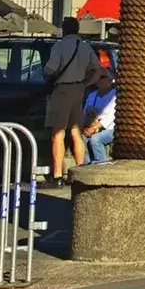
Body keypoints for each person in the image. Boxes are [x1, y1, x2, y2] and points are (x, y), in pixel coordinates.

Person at [42, 18, 95, 186]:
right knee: (75, 132)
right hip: (78, 90)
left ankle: (57, 175)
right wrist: (86, 83)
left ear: (63, 30)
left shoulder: (60, 46)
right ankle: (79, 171)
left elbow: (50, 69)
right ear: (78, 29)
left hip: (62, 90)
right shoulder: (85, 46)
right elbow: (98, 69)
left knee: (58, 133)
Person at [82, 68, 118, 164]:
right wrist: (86, 127)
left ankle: (101, 166)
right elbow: (84, 112)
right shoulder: (92, 95)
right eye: (97, 77)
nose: (99, 79)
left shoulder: (115, 95)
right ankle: (87, 166)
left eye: (102, 77)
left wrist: (94, 128)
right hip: (92, 125)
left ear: (110, 79)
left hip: (111, 128)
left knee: (96, 139)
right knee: (81, 138)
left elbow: (111, 117)